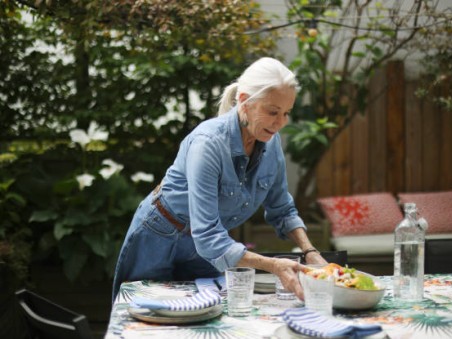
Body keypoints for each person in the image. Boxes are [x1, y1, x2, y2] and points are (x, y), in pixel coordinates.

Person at [112, 57, 328, 302]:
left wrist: (310, 252)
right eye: (273, 112)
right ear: (245, 101)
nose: (281, 123)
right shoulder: (208, 144)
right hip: (159, 237)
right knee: (145, 321)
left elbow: (282, 208)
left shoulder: (270, 139)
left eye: (287, 113)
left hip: (205, 246)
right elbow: (208, 236)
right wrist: (273, 265)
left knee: (209, 315)